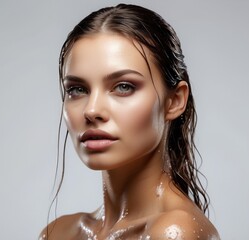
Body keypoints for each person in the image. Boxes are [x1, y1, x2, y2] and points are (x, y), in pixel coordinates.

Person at [40, 3, 220, 240]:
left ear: (174, 101)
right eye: (77, 89)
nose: (92, 110)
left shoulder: (174, 232)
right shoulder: (58, 233)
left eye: (123, 87)